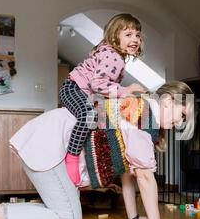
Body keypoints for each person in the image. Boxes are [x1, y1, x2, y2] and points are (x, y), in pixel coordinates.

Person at [0, 81, 195, 219]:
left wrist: (132, 217)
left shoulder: (142, 115)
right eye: (181, 114)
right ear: (166, 101)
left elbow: (128, 175)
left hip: (50, 143)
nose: (179, 123)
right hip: (51, 147)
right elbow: (145, 178)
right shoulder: (144, 116)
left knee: (61, 211)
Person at [59, 13, 146, 186]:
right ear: (114, 37)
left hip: (81, 91)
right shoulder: (114, 57)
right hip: (73, 89)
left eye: (137, 35)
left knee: (100, 120)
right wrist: (125, 90)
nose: (135, 39)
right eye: (128, 35)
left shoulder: (112, 52)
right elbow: (98, 84)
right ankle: (72, 156)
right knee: (89, 116)